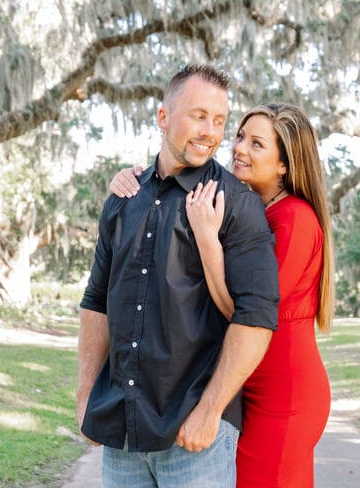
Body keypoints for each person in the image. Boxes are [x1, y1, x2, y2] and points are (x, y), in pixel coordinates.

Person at [110, 102, 336, 488]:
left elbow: (249, 312)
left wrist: (207, 240)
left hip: (281, 392)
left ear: (284, 164)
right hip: (247, 385)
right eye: (240, 136)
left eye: (257, 144)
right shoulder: (253, 211)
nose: (240, 149)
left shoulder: (293, 219)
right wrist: (132, 180)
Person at [77, 64, 280, 488]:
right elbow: (96, 302)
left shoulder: (237, 204)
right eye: (199, 115)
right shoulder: (123, 197)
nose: (211, 131)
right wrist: (84, 400)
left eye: (220, 120)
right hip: (122, 433)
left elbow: (256, 318)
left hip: (194, 437)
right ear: (164, 117)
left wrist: (210, 412)